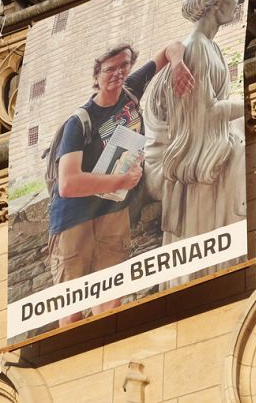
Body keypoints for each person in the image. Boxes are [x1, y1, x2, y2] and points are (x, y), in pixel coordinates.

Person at [49, 42, 194, 326]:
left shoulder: (130, 90)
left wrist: (177, 64)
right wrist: (122, 179)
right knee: (72, 307)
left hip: (113, 211)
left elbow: (171, 48)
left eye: (124, 65)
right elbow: (68, 183)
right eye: (110, 69)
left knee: (111, 299)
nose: (118, 73)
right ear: (97, 75)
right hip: (73, 221)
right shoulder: (79, 122)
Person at [142, 0, 248, 288]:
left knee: (240, 137)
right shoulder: (197, 48)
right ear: (217, 4)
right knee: (239, 151)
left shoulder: (210, 48)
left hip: (199, 140)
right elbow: (203, 115)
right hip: (180, 156)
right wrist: (250, 104)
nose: (236, 2)